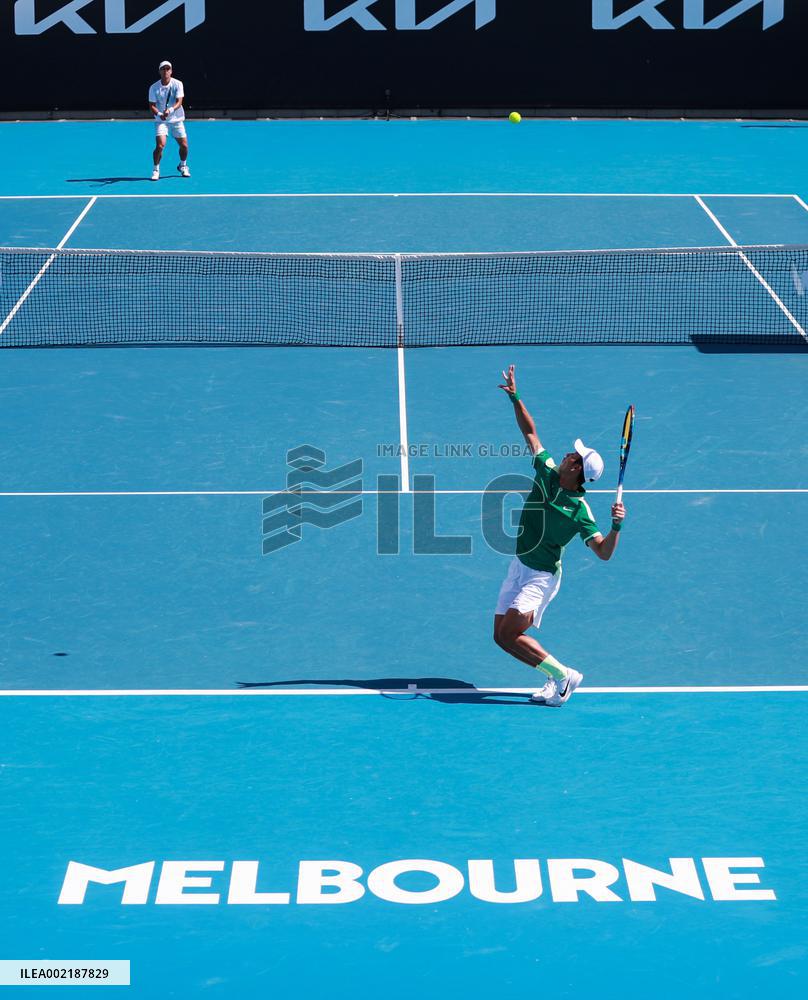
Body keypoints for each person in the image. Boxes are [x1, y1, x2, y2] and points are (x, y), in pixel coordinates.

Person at [493, 365, 626, 707]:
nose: (568, 454)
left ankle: (564, 676)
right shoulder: (548, 471)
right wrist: (515, 398)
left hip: (541, 576)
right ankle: (559, 676)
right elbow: (531, 433)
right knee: (501, 637)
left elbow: (604, 552)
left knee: (510, 631)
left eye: (574, 456)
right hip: (519, 564)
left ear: (578, 469)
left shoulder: (580, 511)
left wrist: (616, 527)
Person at [148, 61, 190, 181]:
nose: (165, 71)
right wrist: (160, 114)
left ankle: (183, 165)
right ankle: (156, 169)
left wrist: (170, 110)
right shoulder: (154, 87)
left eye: (168, 69)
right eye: (163, 69)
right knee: (160, 145)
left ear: (171, 71)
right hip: (161, 121)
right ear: (159, 71)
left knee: (184, 146)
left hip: (176, 119)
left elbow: (179, 102)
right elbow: (152, 105)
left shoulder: (178, 84)